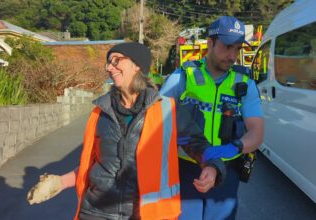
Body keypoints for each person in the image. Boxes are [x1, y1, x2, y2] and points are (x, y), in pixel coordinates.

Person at [26, 42, 225, 220]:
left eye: (116, 60)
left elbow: (199, 144)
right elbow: (96, 165)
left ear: (137, 65)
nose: (109, 67)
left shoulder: (168, 110)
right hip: (95, 211)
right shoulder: (100, 112)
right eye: (108, 63)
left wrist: (213, 166)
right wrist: (60, 182)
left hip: (144, 214)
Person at [160, 16, 264, 220]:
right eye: (227, 47)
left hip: (227, 170)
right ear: (210, 43)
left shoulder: (244, 83)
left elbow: (257, 132)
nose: (232, 55)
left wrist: (232, 148)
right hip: (186, 168)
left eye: (237, 49)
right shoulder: (182, 77)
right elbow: (156, 120)